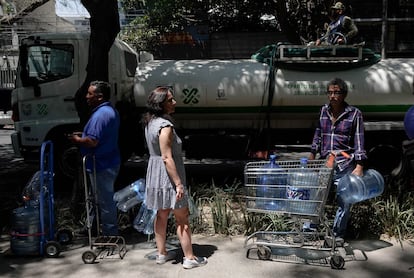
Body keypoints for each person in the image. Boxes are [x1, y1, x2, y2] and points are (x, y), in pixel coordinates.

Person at [142, 86, 207, 269]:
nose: (174, 102)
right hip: (168, 177)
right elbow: (167, 157)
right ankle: (189, 258)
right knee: (182, 218)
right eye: (170, 100)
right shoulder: (165, 126)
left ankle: (161, 254)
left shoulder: (150, 123)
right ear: (160, 104)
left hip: (155, 174)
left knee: (161, 215)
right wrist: (178, 184)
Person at [309, 77, 367, 242]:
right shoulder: (323, 111)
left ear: (344, 94)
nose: (332, 96)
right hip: (326, 163)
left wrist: (359, 165)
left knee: (344, 202)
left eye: (336, 92)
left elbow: (359, 140)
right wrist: (312, 155)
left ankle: (337, 235)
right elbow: (318, 134)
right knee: (317, 197)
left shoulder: (355, 114)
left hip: (345, 165)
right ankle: (310, 231)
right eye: (330, 92)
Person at [70, 80, 120, 236]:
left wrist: (78, 140)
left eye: (90, 94)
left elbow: (93, 141)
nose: (86, 97)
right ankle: (92, 227)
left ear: (99, 97)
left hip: (102, 163)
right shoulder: (108, 111)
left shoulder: (101, 115)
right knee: (94, 198)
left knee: (104, 201)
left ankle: (110, 234)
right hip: (103, 162)